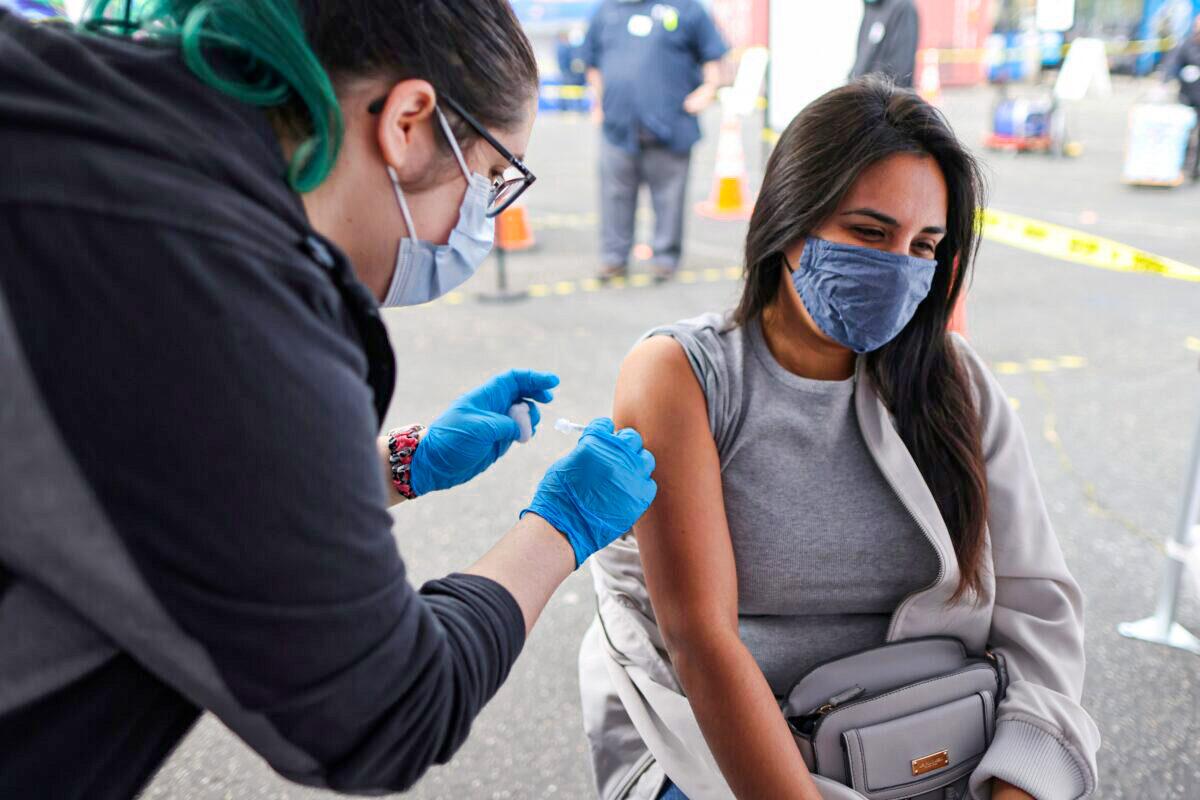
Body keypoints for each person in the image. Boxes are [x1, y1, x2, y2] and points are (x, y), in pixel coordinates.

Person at [0, 2, 658, 798]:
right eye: (492, 179)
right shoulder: (213, 286)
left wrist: (387, 468)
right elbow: (385, 710)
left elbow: (165, 472)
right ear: (409, 121)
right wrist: (563, 527)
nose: (484, 219)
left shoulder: (92, 123)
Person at [579, 78, 1100, 800]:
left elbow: (1035, 603)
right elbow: (701, 644)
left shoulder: (954, 383)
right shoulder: (683, 378)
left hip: (934, 736)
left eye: (925, 245)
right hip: (730, 752)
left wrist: (1022, 781)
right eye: (868, 233)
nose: (899, 267)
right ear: (786, 221)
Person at [582, 0, 727, 283]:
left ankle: (665, 258)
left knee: (669, 198)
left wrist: (708, 90)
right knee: (614, 196)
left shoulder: (687, 9)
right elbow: (592, 61)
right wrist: (599, 100)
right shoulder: (607, 11)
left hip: (671, 125)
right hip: (618, 127)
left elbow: (713, 55)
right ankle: (614, 258)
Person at [1163, 13, 1200, 180]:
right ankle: (1182, 164)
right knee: (1184, 131)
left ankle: (1194, 168)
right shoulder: (1187, 45)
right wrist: (1168, 79)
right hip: (1188, 96)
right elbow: (1172, 64)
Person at [850, 0, 920, 88]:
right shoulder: (871, 8)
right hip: (863, 92)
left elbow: (899, 70)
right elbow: (861, 61)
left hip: (884, 96)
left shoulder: (903, 7)